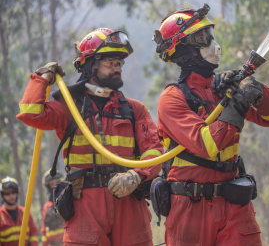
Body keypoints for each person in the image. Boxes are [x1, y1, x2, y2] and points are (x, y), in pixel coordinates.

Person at [17, 28, 163, 245]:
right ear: (90, 65)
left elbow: (155, 151)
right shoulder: (69, 108)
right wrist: (43, 77)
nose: (117, 68)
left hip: (130, 205)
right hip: (85, 209)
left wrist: (135, 176)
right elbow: (30, 112)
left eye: (120, 63)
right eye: (110, 63)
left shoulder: (134, 110)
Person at [153, 4, 269, 245]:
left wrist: (255, 89)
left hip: (235, 203)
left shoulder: (224, 88)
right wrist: (238, 103)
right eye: (202, 38)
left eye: (210, 36)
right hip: (189, 211)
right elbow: (207, 143)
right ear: (183, 50)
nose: (213, 44)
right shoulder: (172, 98)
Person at [0, 176, 38, 246]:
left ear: (17, 193)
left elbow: (33, 234)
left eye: (13, 192)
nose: (11, 196)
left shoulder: (25, 212)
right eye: (7, 193)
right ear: (2, 196)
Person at [41, 170, 64, 246]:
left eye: (56, 183)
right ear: (47, 186)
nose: (54, 186)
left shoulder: (66, 202)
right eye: (52, 184)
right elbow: (44, 230)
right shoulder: (47, 206)